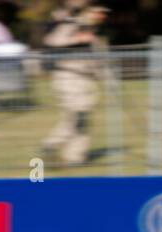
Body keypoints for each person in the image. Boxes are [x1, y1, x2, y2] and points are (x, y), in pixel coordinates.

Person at [41, 1, 109, 166]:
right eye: (98, 12)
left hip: (86, 80)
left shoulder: (93, 32)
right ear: (87, 13)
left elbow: (99, 60)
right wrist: (77, 38)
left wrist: (105, 77)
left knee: (82, 119)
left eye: (103, 13)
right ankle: (51, 144)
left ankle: (75, 157)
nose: (102, 16)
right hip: (69, 78)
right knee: (78, 115)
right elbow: (52, 41)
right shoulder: (72, 25)